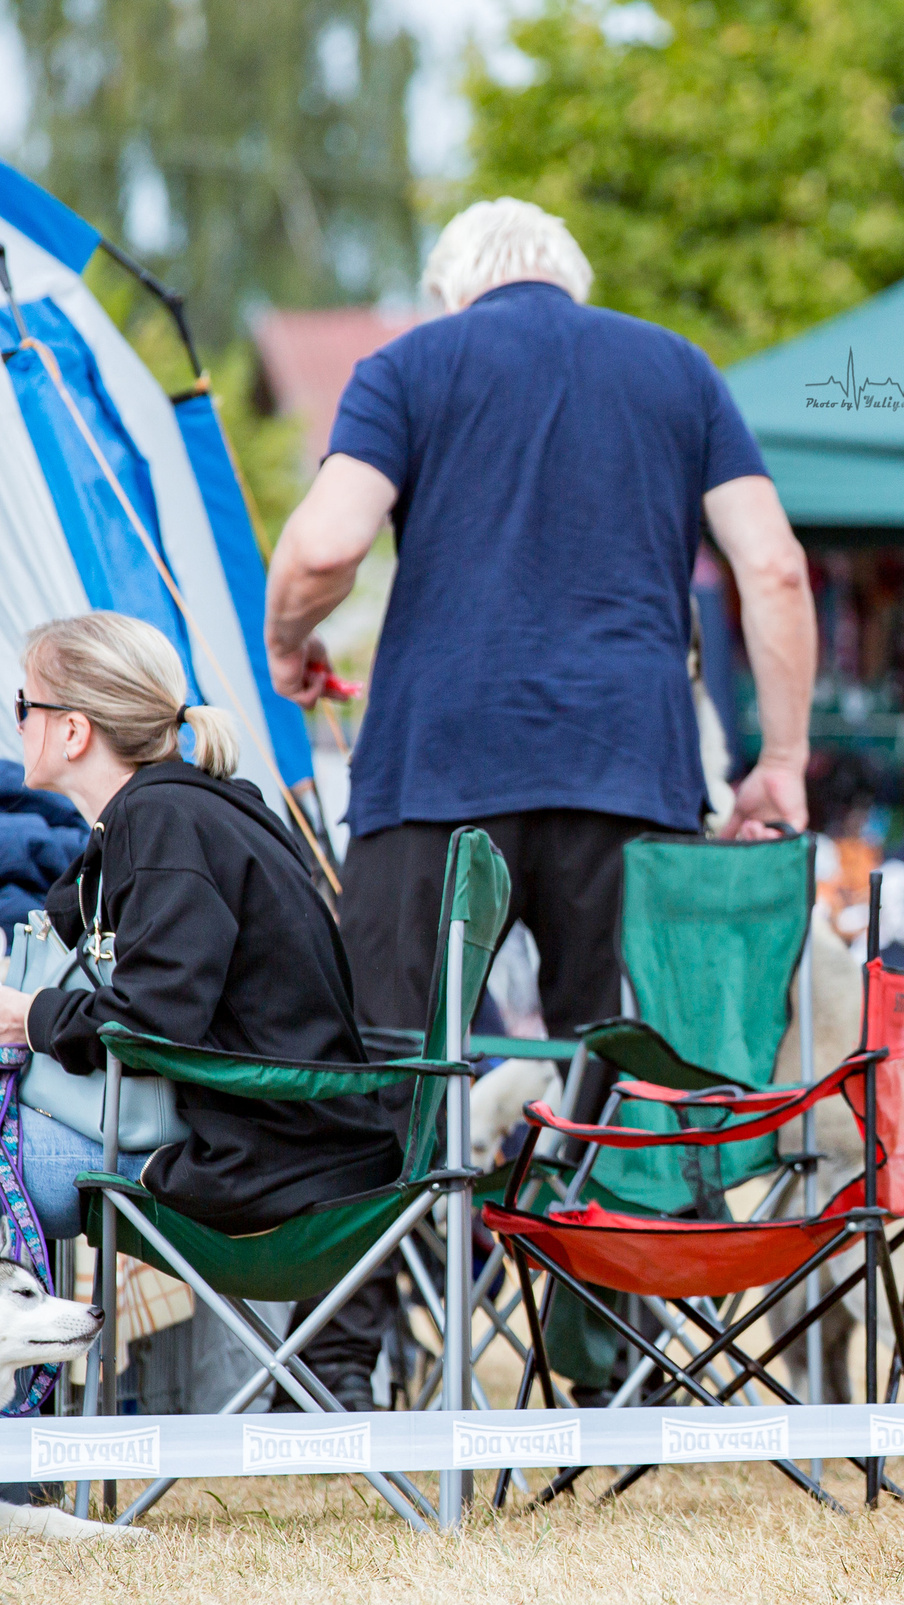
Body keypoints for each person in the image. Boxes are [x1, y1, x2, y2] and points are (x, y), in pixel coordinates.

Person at [262, 198, 816, 1398]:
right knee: (617, 1063)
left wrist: (287, 647)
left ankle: (347, 1365)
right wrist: (782, 753)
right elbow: (772, 564)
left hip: (434, 769)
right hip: (632, 765)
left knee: (386, 1062)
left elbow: (321, 549)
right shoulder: (677, 370)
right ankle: (605, 1355)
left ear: (454, 290)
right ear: (572, 280)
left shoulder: (409, 363)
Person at [0, 614, 399, 1248]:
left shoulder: (161, 822)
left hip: (262, 1172)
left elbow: (155, 1018)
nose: (17, 721)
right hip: (300, 1152)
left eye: (25, 704)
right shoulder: (190, 806)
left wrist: (31, 1018)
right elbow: (72, 916)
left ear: (74, 730)